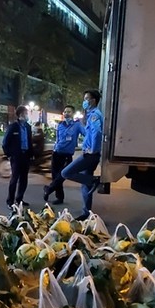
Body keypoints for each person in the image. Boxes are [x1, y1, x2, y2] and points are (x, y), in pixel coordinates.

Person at [51, 90, 103, 220]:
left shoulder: (94, 115)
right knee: (85, 184)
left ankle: (95, 181)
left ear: (93, 100)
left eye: (86, 99)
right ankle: (86, 213)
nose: (84, 101)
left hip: (90, 155)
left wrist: (92, 149)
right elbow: (89, 134)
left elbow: (96, 133)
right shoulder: (90, 115)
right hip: (88, 153)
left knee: (66, 173)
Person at [43, 105, 85, 205]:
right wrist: (55, 148)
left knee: (62, 175)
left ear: (73, 113)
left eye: (69, 111)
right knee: (55, 176)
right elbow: (57, 139)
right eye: (65, 111)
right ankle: (59, 198)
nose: (66, 113)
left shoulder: (77, 125)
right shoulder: (60, 124)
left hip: (67, 155)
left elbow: (86, 134)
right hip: (57, 153)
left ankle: (49, 189)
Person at [2, 105, 33, 208]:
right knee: (14, 179)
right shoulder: (13, 126)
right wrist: (9, 155)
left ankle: (19, 199)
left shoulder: (28, 127)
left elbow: (30, 141)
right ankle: (10, 201)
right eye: (25, 113)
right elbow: (5, 142)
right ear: (20, 115)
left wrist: (31, 155)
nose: (27, 115)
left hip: (26, 156)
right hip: (16, 157)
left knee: (24, 179)